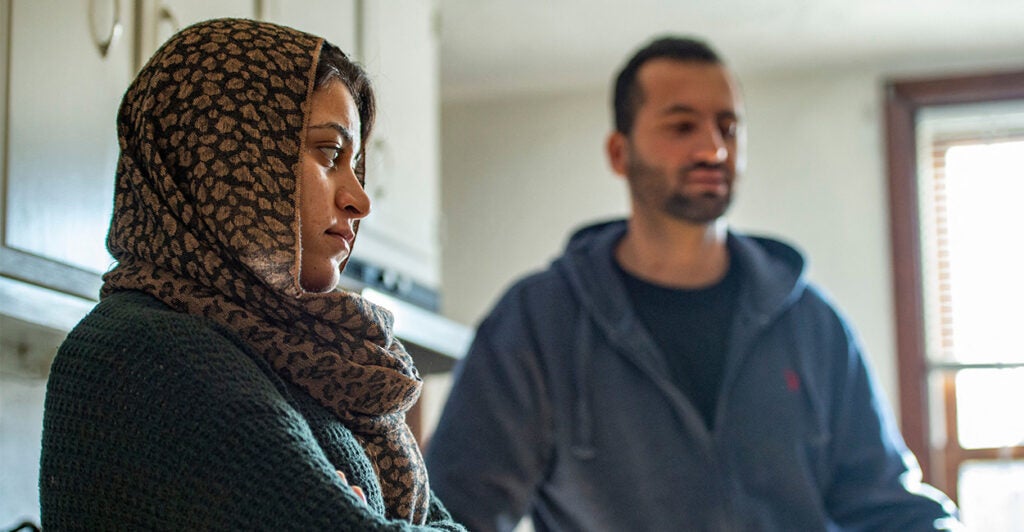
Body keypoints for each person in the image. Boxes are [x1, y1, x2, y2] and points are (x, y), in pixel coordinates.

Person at [425, 36, 961, 531]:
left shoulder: (811, 322)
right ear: (620, 152)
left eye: (728, 127)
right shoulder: (537, 321)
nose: (714, 149)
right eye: (682, 127)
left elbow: (889, 505)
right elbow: (454, 510)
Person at [39, 18, 464, 531]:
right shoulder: (147, 350)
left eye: (357, 164)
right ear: (226, 154)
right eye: (330, 154)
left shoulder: (284, 351)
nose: (360, 200)